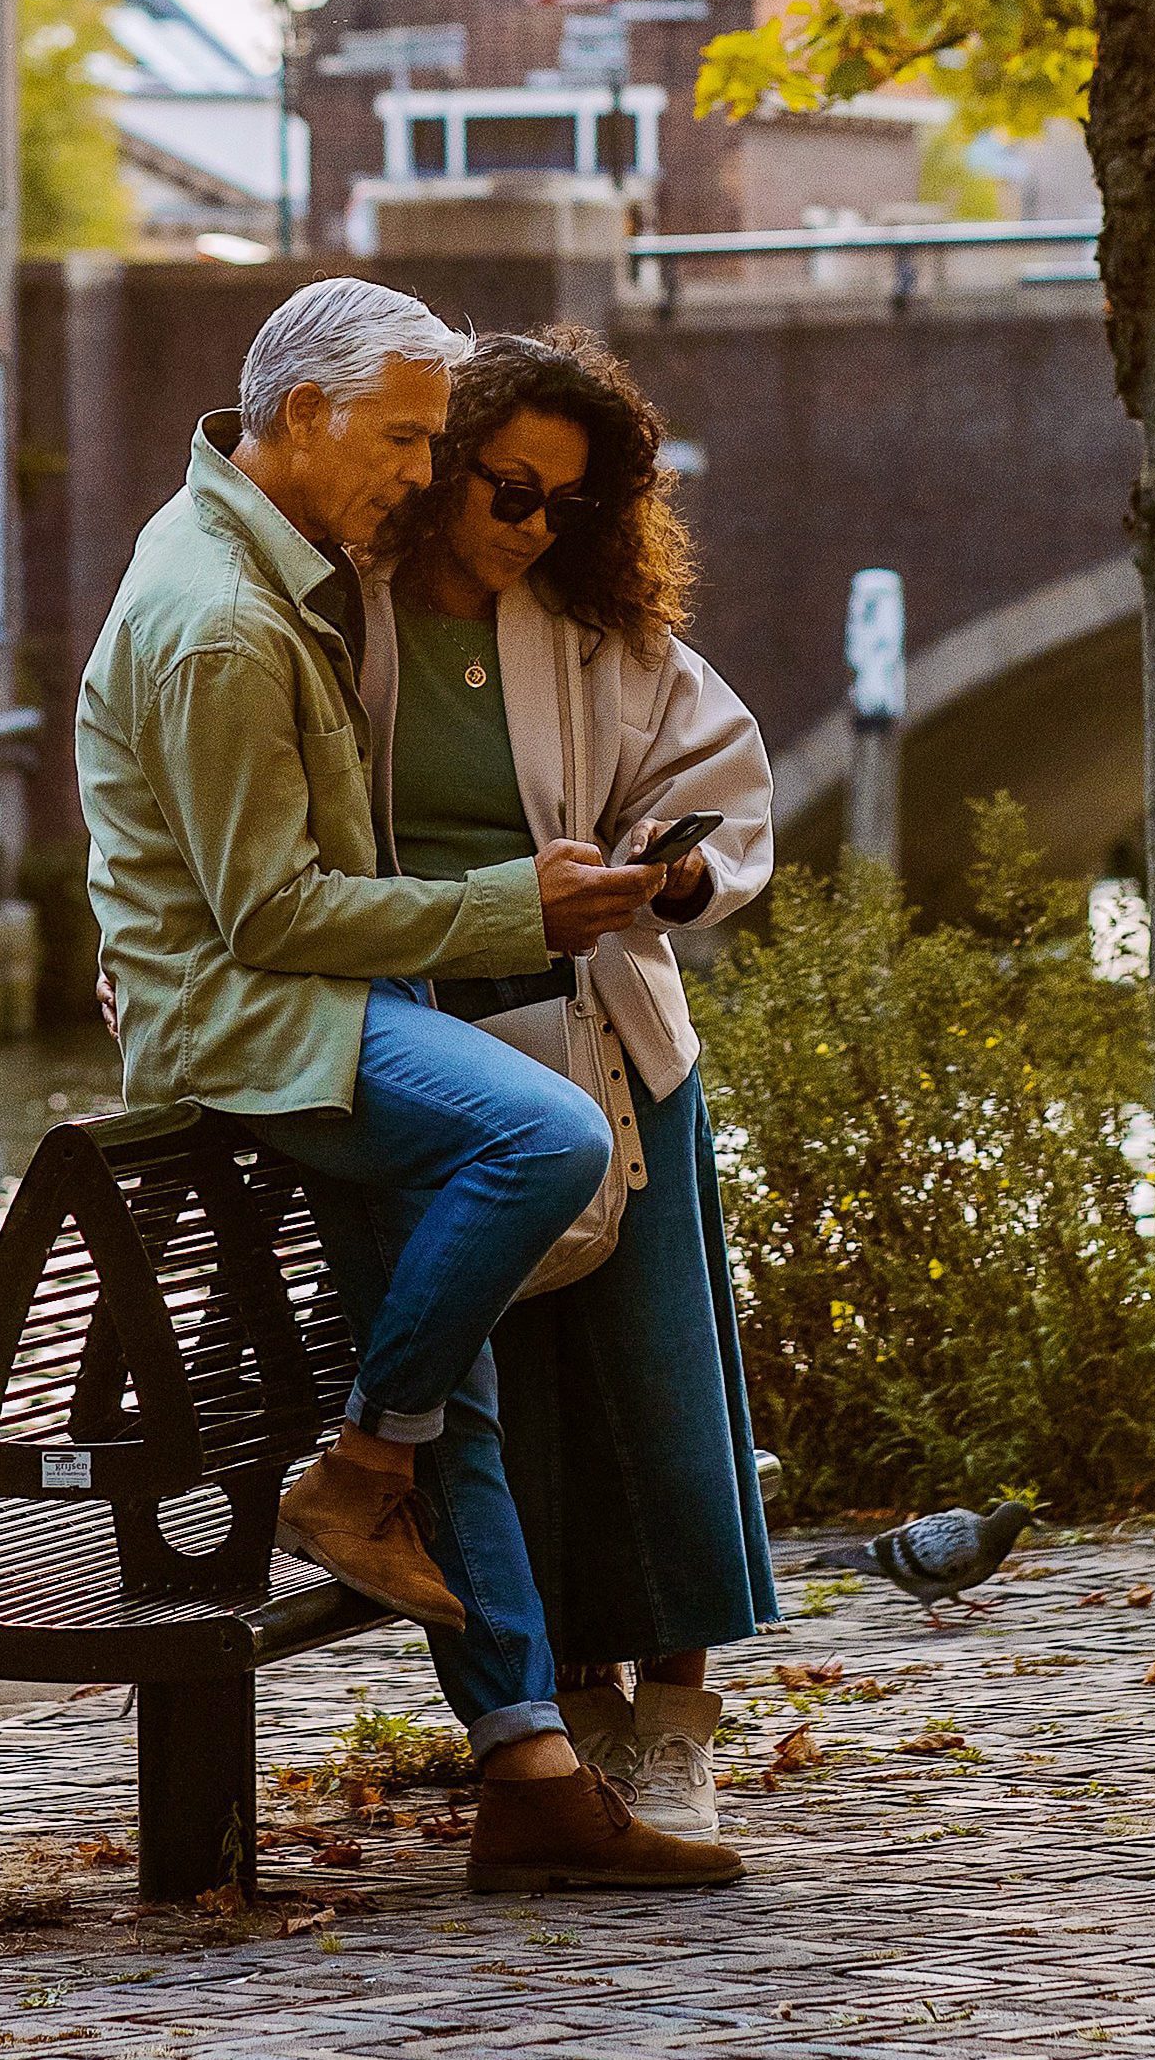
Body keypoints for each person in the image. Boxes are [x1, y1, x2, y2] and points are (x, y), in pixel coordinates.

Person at [76, 276, 744, 1893]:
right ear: (301, 416)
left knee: (486, 1388)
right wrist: (516, 906)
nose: (426, 472)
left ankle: (525, 1762)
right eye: (412, 440)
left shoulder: (276, 569)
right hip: (274, 1014)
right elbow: (269, 912)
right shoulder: (238, 613)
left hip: (335, 1002)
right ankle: (367, 1466)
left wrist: (644, 888)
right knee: (536, 1139)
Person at [358, 326, 779, 1844]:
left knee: (660, 1409)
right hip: (434, 1063)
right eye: (507, 487)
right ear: (437, 462)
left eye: (565, 505)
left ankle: (673, 1722)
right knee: (519, 1422)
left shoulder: (593, 624)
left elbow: (717, 777)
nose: (531, 525)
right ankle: (565, 1717)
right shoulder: (345, 622)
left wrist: (670, 873)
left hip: (605, 1044)